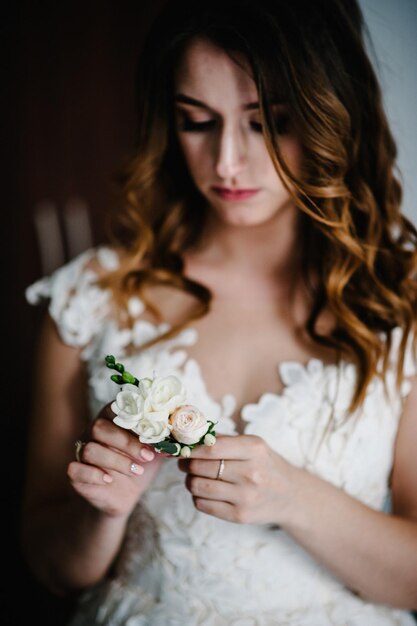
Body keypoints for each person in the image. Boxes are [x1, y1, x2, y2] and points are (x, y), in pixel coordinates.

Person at [22, 0, 417, 624]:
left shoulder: (401, 300)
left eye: (268, 122)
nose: (227, 162)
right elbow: (48, 565)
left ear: (330, 117)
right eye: (197, 122)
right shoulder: (91, 298)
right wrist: (104, 509)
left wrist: (296, 499)